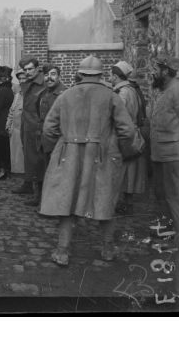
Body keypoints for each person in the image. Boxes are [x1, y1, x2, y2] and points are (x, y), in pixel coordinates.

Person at [39, 55, 139, 267]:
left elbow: (48, 129)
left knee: (67, 202)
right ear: (101, 74)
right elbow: (128, 131)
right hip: (102, 156)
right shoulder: (112, 96)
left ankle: (62, 251)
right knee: (104, 200)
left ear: (80, 74)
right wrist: (118, 152)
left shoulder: (65, 96)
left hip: (69, 155)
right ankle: (108, 249)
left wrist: (57, 148)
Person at [149, 55, 179, 297]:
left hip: (173, 155)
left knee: (174, 199)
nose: (154, 73)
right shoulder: (165, 90)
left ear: (167, 71)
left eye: (158, 69)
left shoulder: (177, 91)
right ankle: (169, 238)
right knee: (162, 198)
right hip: (161, 153)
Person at [27, 63, 67, 207]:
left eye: (53, 74)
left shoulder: (63, 94)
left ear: (59, 76)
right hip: (43, 138)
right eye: (46, 75)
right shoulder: (44, 93)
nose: (49, 78)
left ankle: (54, 205)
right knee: (41, 169)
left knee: (55, 173)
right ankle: (41, 199)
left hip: (56, 140)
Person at [110, 60, 147, 215]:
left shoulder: (123, 93)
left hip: (124, 135)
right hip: (132, 133)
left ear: (116, 76)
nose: (110, 77)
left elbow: (119, 115)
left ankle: (123, 204)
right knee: (130, 171)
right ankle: (127, 203)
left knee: (123, 170)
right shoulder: (132, 90)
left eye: (111, 75)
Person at [12, 55, 46, 196]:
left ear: (37, 68)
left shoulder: (42, 84)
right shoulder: (28, 83)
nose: (27, 72)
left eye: (31, 69)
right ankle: (28, 183)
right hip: (27, 126)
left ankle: (39, 193)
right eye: (25, 70)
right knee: (29, 157)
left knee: (38, 160)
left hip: (37, 128)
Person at [0, 66, 14, 180]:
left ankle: (2, 170)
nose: (0, 79)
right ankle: (5, 169)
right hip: (5, 118)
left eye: (2, 77)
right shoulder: (9, 89)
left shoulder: (2, 90)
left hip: (1, 120)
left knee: (1, 146)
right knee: (5, 146)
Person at [6, 69, 26, 176]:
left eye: (24, 78)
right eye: (20, 79)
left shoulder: (31, 94)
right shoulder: (17, 95)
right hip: (15, 128)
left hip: (25, 129)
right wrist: (8, 125)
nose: (22, 81)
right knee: (16, 154)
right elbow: (12, 111)